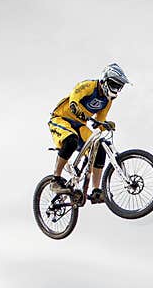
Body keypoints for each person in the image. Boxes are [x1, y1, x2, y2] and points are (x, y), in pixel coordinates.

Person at [47, 63, 131, 204]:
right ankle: (55, 179)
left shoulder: (107, 101)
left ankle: (96, 191)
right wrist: (74, 106)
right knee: (71, 140)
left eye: (118, 87)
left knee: (99, 147)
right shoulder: (89, 86)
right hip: (61, 118)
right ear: (105, 80)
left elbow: (98, 122)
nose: (115, 89)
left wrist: (106, 125)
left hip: (80, 125)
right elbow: (75, 96)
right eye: (113, 85)